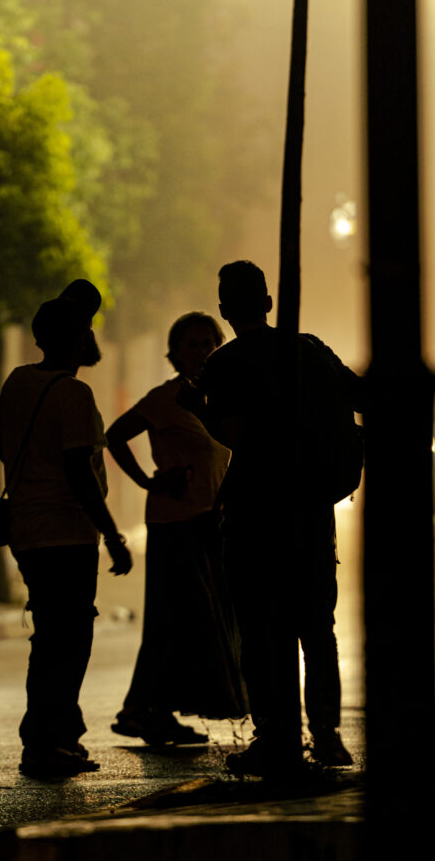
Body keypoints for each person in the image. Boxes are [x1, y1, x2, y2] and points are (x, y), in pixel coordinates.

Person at [188, 261, 363, 776]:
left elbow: (238, 434)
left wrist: (199, 408)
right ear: (267, 304)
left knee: (264, 630)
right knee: (316, 625)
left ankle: (277, 737)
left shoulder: (224, 364)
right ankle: (326, 734)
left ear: (224, 309)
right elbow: (361, 396)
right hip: (309, 511)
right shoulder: (311, 351)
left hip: (254, 513)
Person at [0, 284, 132, 779]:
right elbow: (79, 471)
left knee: (52, 636)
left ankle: (59, 735)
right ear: (79, 339)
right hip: (66, 532)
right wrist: (113, 533)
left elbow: (8, 454)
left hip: (28, 529)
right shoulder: (74, 394)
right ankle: (45, 741)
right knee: (67, 642)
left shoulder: (16, 382)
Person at [107, 312, 249, 746]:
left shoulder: (227, 401)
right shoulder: (164, 398)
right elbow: (115, 436)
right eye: (192, 343)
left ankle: (154, 710)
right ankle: (142, 709)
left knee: (203, 621)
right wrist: (149, 480)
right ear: (174, 353)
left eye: (210, 341)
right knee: (173, 619)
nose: (203, 350)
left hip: (215, 522)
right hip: (175, 522)